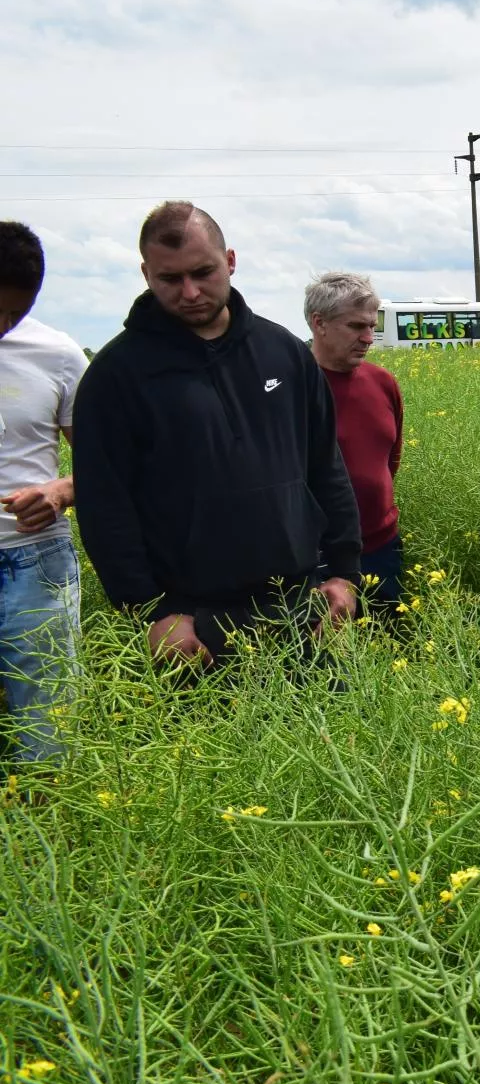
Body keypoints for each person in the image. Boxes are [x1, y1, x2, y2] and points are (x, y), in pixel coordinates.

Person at [73, 201, 360, 668]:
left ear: (229, 261)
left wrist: (345, 572)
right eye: (170, 279)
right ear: (146, 274)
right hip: (191, 626)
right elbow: (105, 506)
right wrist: (151, 611)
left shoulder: (285, 352)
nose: (189, 292)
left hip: (303, 605)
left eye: (203, 272)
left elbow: (326, 466)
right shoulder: (116, 375)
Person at [0, 223, 87, 764]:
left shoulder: (58, 354)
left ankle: (44, 821)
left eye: (16, 313)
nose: (2, 325)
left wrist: (61, 489)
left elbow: (107, 465)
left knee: (48, 740)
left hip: (34, 562)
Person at [305, 272, 405, 609]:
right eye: (356, 327)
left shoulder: (382, 382)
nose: (368, 338)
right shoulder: (291, 386)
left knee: (388, 636)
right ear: (319, 323)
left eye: (372, 326)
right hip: (316, 557)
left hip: (382, 547)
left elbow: (390, 458)